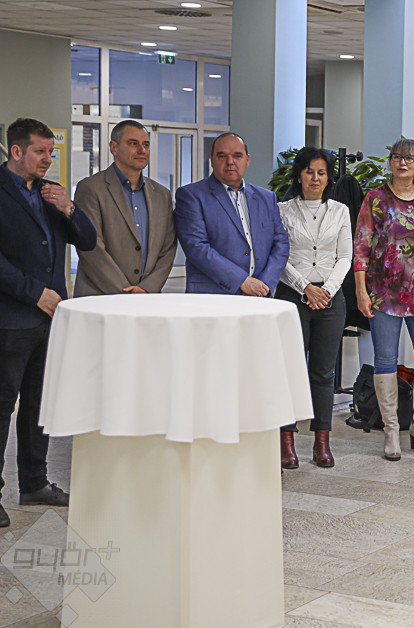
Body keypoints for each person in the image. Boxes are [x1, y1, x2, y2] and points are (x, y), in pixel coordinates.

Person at [0, 118, 97, 526]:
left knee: (39, 405)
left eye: (50, 152)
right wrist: (34, 292)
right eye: (40, 151)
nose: (47, 159)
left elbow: (88, 241)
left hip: (50, 321)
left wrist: (70, 208)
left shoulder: (49, 193)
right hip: (12, 319)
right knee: (2, 406)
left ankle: (34, 482)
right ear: (16, 151)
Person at [353, 138, 414, 461]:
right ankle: (391, 430)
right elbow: (361, 248)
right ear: (390, 162)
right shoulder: (375, 199)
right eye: (397, 157)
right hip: (383, 295)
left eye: (409, 158)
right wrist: (361, 291)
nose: (402, 163)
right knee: (385, 362)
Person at [275, 147, 353, 470]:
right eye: (309, 172)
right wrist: (305, 287)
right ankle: (286, 441)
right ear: (299, 175)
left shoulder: (340, 211)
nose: (315, 178)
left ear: (328, 177)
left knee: (323, 372)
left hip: (330, 299)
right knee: (289, 369)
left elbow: (345, 257)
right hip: (292, 296)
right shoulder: (282, 210)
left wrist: (327, 291)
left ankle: (322, 442)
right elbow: (278, 256)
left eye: (321, 172)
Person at [174, 132, 289, 296]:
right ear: (212, 160)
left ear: (247, 160)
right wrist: (242, 281)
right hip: (212, 297)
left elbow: (281, 244)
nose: (230, 162)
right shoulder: (191, 196)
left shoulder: (266, 198)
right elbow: (197, 247)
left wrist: (265, 284)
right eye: (222, 156)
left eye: (237, 156)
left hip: (260, 296)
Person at [73, 119, 177, 296]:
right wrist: (126, 294)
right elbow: (91, 249)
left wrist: (147, 288)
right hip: (100, 297)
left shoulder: (162, 195)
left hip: (146, 297)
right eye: (133, 143)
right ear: (114, 148)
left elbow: (168, 249)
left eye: (146, 145)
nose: (142, 150)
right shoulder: (91, 188)